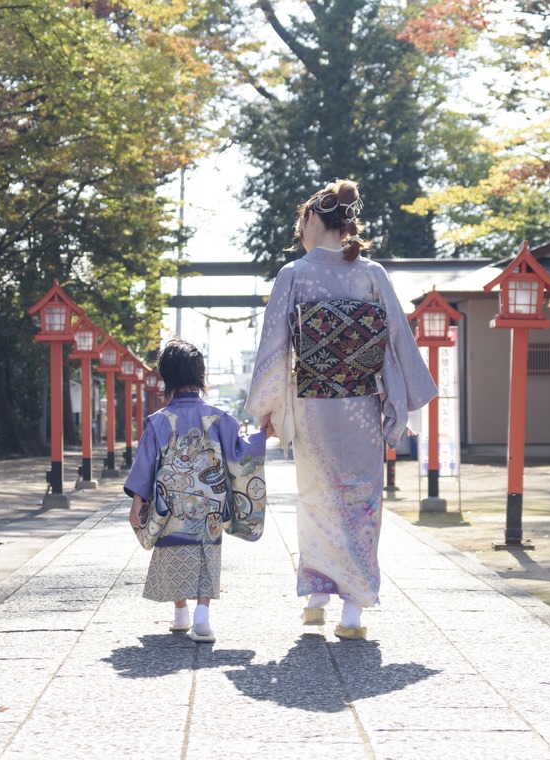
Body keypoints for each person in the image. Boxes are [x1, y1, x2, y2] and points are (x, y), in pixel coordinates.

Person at [245, 179, 436, 640]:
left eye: (301, 221)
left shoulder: (293, 274)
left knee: (316, 497)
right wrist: (401, 400)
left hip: (313, 404)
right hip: (362, 407)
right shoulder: (372, 274)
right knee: (361, 501)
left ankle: (316, 596)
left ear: (313, 218)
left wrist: (269, 407)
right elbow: (397, 339)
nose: (299, 231)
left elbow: (274, 346)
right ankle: (353, 611)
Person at [125, 338, 268, 644]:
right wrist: (263, 435)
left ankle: (181, 614)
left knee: (172, 549)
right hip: (211, 501)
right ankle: (202, 616)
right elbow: (240, 451)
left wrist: (138, 500)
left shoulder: (159, 421)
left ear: (166, 378)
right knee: (207, 551)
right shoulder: (219, 417)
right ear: (202, 376)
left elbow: (145, 463)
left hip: (170, 501)